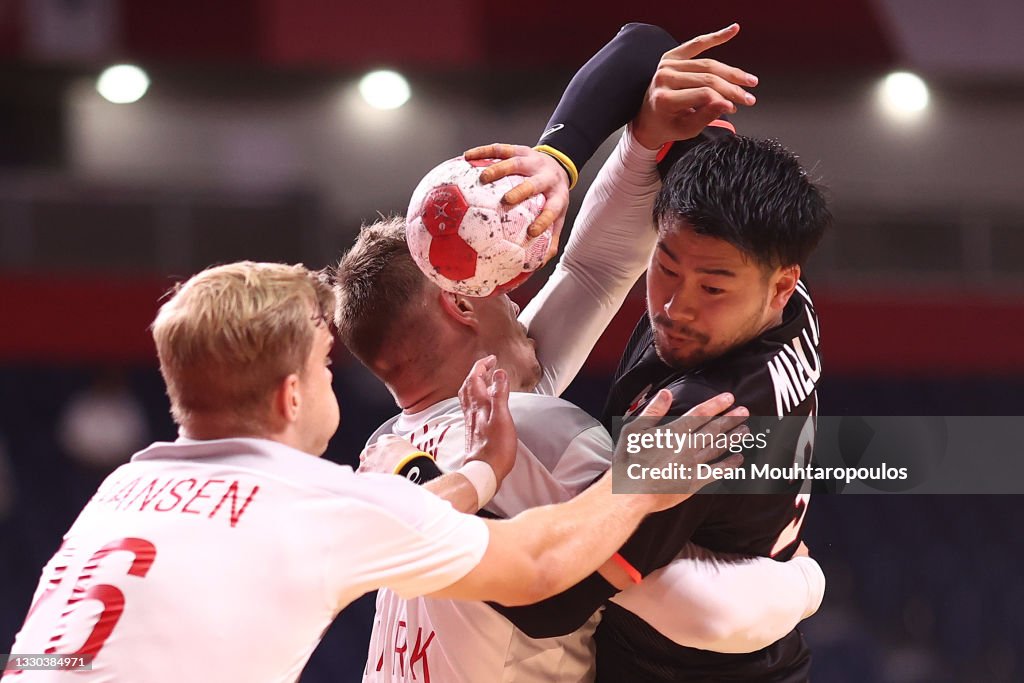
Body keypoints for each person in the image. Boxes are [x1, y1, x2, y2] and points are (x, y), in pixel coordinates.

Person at [1, 261, 743, 682]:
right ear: (291, 393)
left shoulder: (123, 489)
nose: (334, 382)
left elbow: (50, 651)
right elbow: (541, 561)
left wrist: (484, 472)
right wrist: (639, 480)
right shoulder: (315, 501)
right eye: (324, 369)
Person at [467, 22, 831, 681]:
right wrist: (561, 159)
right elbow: (644, 47)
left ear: (783, 284)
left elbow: (553, 599)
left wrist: (421, 498)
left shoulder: (703, 420)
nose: (675, 304)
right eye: (664, 265)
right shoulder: (750, 252)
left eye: (712, 287)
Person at [334, 217, 825, 681]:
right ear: (461, 303)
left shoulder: (383, 448)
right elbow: (699, 610)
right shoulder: (538, 430)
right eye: (494, 285)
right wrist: (805, 581)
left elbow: (589, 272)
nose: (516, 300)